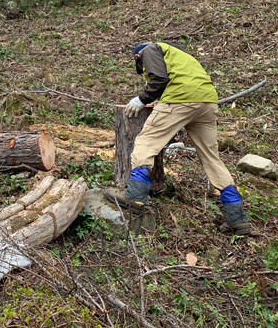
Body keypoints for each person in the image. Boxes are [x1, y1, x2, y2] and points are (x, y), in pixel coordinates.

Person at [107, 41, 251, 236]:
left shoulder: (149, 50)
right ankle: (237, 218)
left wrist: (142, 99)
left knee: (146, 141)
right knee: (211, 158)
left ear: (137, 57)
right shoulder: (180, 56)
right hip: (207, 101)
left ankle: (135, 195)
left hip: (181, 98)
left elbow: (159, 79)